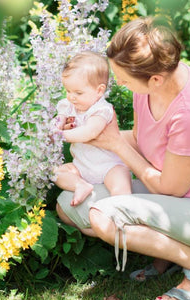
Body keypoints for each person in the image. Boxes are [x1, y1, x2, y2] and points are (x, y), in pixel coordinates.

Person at [56, 17, 190, 300]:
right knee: (68, 205)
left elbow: (169, 188)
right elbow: (141, 139)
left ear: (155, 78)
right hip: (178, 198)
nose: (119, 84)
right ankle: (169, 254)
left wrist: (114, 145)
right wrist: (87, 135)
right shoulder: (151, 85)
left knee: (103, 217)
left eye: (122, 79)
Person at [54, 51, 132, 206]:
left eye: (78, 92)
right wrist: (56, 125)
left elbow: (89, 132)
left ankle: (123, 210)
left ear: (99, 91)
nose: (71, 97)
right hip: (81, 166)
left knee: (120, 182)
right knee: (56, 173)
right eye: (68, 91)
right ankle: (80, 185)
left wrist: (61, 135)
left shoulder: (101, 110)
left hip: (108, 166)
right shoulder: (70, 105)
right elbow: (59, 119)